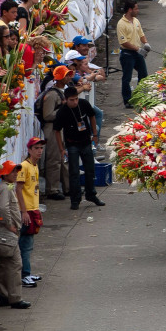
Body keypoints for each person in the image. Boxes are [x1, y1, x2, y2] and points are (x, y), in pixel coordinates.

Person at [53, 87, 105, 211]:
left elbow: (92, 116)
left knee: (90, 170)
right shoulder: (62, 112)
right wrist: (61, 149)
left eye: (76, 99)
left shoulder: (83, 104)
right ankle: (75, 199)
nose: (75, 102)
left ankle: (91, 194)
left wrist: (95, 134)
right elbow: (56, 131)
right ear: (66, 100)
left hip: (86, 141)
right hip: (72, 144)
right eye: (72, 100)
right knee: (74, 173)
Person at [0, 161, 30, 310]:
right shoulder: (5, 189)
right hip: (8, 231)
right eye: (13, 171)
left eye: (16, 171)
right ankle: (15, 298)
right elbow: (2, 208)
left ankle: (3, 296)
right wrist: (9, 225)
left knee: (2, 265)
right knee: (15, 264)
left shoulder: (3, 188)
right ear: (5, 174)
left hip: (3, 231)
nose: (16, 174)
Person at [39, 69, 70, 200]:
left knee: (62, 159)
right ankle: (52, 189)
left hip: (60, 127)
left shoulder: (61, 92)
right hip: (51, 129)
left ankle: (67, 188)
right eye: (66, 75)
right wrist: (63, 111)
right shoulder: (52, 95)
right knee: (54, 159)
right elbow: (47, 115)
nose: (69, 77)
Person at [18, 138, 45, 287]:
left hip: (33, 209)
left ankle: (27, 272)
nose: (40, 151)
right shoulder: (24, 166)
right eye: (36, 148)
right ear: (29, 150)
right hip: (27, 211)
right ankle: (24, 275)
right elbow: (18, 189)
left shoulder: (34, 166)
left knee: (29, 243)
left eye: (41, 148)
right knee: (25, 244)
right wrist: (24, 211)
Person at [117, 1, 150, 109]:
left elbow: (141, 34)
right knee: (127, 78)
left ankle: (141, 96)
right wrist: (138, 49)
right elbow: (123, 42)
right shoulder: (121, 24)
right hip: (127, 54)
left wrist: (146, 43)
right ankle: (127, 100)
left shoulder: (136, 21)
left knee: (143, 74)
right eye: (136, 8)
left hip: (138, 52)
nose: (138, 10)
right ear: (130, 10)